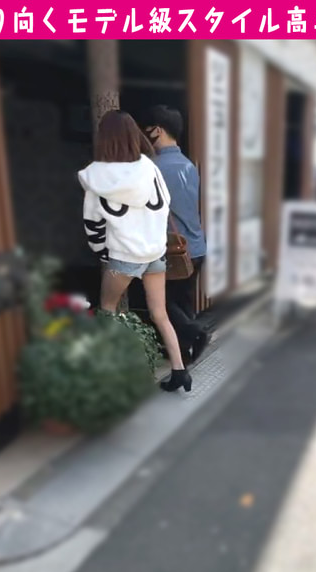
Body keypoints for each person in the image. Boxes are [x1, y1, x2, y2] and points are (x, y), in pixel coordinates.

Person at [79, 110, 191, 392]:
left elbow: (93, 222)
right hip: (155, 253)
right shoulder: (150, 169)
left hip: (123, 257)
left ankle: (113, 377)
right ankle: (180, 371)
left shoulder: (96, 176)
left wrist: (102, 252)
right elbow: (165, 204)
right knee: (160, 313)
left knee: (108, 310)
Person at [142, 105, 210, 363]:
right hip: (195, 245)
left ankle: (195, 333)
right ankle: (183, 354)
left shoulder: (153, 168)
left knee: (159, 303)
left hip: (172, 248)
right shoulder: (188, 165)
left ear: (157, 131)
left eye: (146, 130)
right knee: (182, 301)